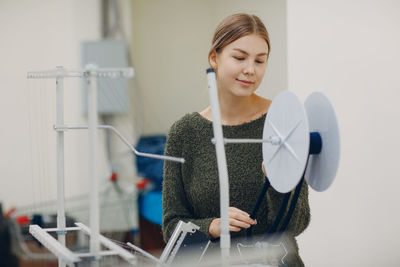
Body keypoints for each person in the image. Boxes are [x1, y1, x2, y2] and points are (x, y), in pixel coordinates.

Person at [162, 13, 310, 266]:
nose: (250, 70)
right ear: (214, 58)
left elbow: (297, 224)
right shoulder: (184, 133)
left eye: (260, 61)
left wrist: (277, 185)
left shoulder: (284, 122)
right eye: (239, 58)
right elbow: (172, 228)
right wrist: (211, 226)